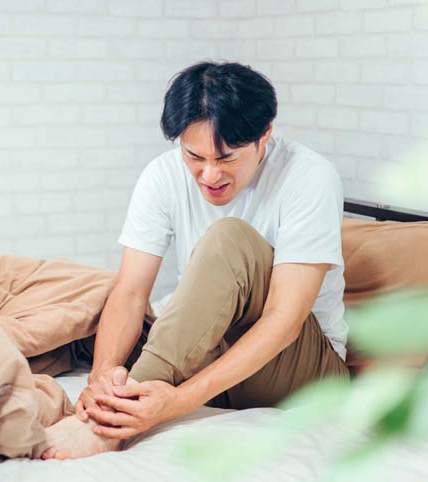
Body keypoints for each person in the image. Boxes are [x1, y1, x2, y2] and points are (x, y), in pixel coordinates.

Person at [40, 61, 350, 460]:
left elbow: (283, 322)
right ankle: (112, 403)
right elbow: (130, 292)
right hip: (212, 356)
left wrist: (176, 402)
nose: (209, 175)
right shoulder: (162, 175)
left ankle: (107, 426)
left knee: (228, 238)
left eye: (226, 158)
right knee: (105, 318)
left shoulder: (309, 177)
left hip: (299, 374)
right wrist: (101, 379)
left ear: (265, 135)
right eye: (194, 155)